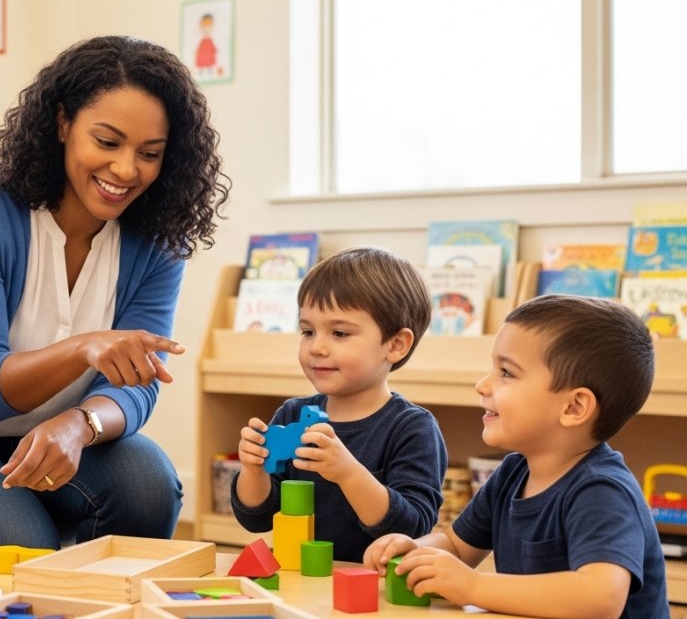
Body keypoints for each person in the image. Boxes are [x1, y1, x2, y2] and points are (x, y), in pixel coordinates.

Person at [0, 35, 230, 548]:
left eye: (149, 153)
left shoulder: (158, 238)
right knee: (20, 542)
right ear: (63, 123)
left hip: (69, 439)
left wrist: (80, 424)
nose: (126, 170)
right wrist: (84, 346)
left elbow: (138, 382)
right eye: (107, 142)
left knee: (150, 489)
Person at [365, 295, 669, 618]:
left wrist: (474, 587)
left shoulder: (602, 491)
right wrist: (416, 550)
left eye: (506, 373)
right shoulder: (512, 473)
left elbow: (600, 598)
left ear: (574, 407)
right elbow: (456, 546)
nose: (482, 385)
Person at [231, 246, 447, 563]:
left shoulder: (412, 428)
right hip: (298, 575)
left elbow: (412, 528)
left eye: (340, 333)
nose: (317, 347)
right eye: (307, 331)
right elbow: (256, 518)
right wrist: (252, 470)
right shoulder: (292, 414)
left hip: (374, 586)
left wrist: (347, 473)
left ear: (396, 345)